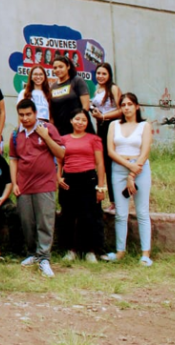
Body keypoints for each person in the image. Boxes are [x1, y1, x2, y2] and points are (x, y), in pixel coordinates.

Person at [11, 99, 65, 278]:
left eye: (28, 114)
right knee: (27, 222)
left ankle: (44, 257)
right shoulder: (15, 134)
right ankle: (32, 253)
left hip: (45, 183)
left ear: (35, 113)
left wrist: (46, 136)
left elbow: (61, 153)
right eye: (21, 115)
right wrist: (14, 183)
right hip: (24, 185)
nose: (25, 118)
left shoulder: (48, 129)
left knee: (45, 221)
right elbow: (14, 160)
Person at [103, 93, 153, 267]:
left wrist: (132, 173)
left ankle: (145, 254)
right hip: (119, 168)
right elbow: (110, 151)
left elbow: (145, 151)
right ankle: (120, 251)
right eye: (123, 105)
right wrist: (127, 167)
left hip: (140, 168)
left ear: (136, 106)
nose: (126, 108)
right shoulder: (114, 125)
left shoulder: (144, 126)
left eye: (130, 104)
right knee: (121, 214)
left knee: (142, 212)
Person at [57, 110, 106, 263]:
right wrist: (58, 177)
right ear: (71, 121)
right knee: (68, 216)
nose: (80, 122)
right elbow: (59, 162)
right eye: (77, 119)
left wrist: (100, 187)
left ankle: (90, 251)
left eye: (84, 120)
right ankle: (70, 250)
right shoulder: (63, 139)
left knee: (90, 215)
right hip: (69, 180)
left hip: (88, 179)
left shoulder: (94, 139)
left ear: (87, 122)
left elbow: (100, 163)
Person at [90, 63, 121, 211]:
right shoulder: (97, 90)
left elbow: (121, 110)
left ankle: (117, 200)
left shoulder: (113, 88)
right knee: (103, 164)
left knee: (112, 163)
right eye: (98, 73)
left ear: (109, 75)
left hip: (112, 126)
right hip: (101, 127)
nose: (100, 76)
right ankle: (110, 199)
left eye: (104, 73)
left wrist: (103, 116)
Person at [49, 56, 91, 136]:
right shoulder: (53, 86)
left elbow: (86, 106)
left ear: (68, 66)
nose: (58, 70)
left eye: (61, 67)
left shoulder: (77, 81)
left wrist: (79, 122)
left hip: (77, 128)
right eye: (55, 68)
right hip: (60, 129)